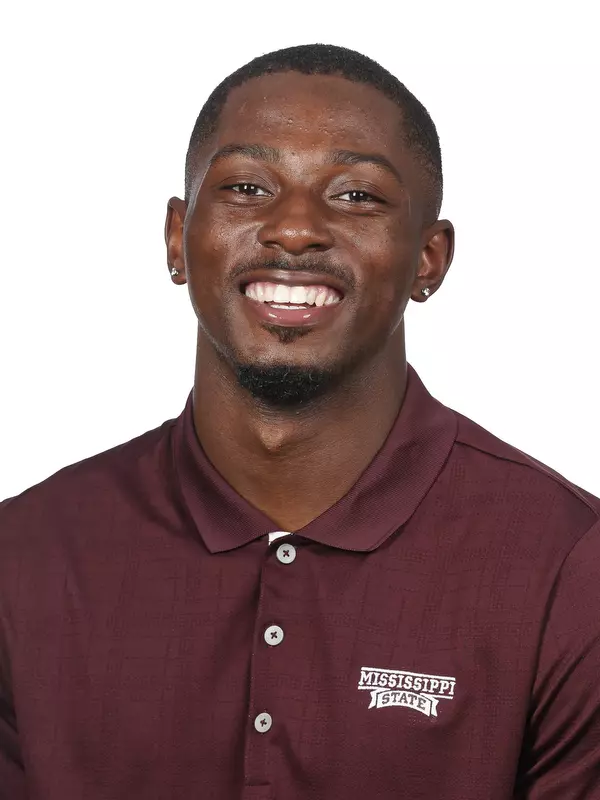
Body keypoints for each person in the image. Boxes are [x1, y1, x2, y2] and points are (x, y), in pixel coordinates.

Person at [1, 42, 599, 800]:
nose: (293, 229)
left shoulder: (571, 567)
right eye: (248, 186)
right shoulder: (25, 554)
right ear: (177, 239)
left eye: (355, 196)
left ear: (430, 260)